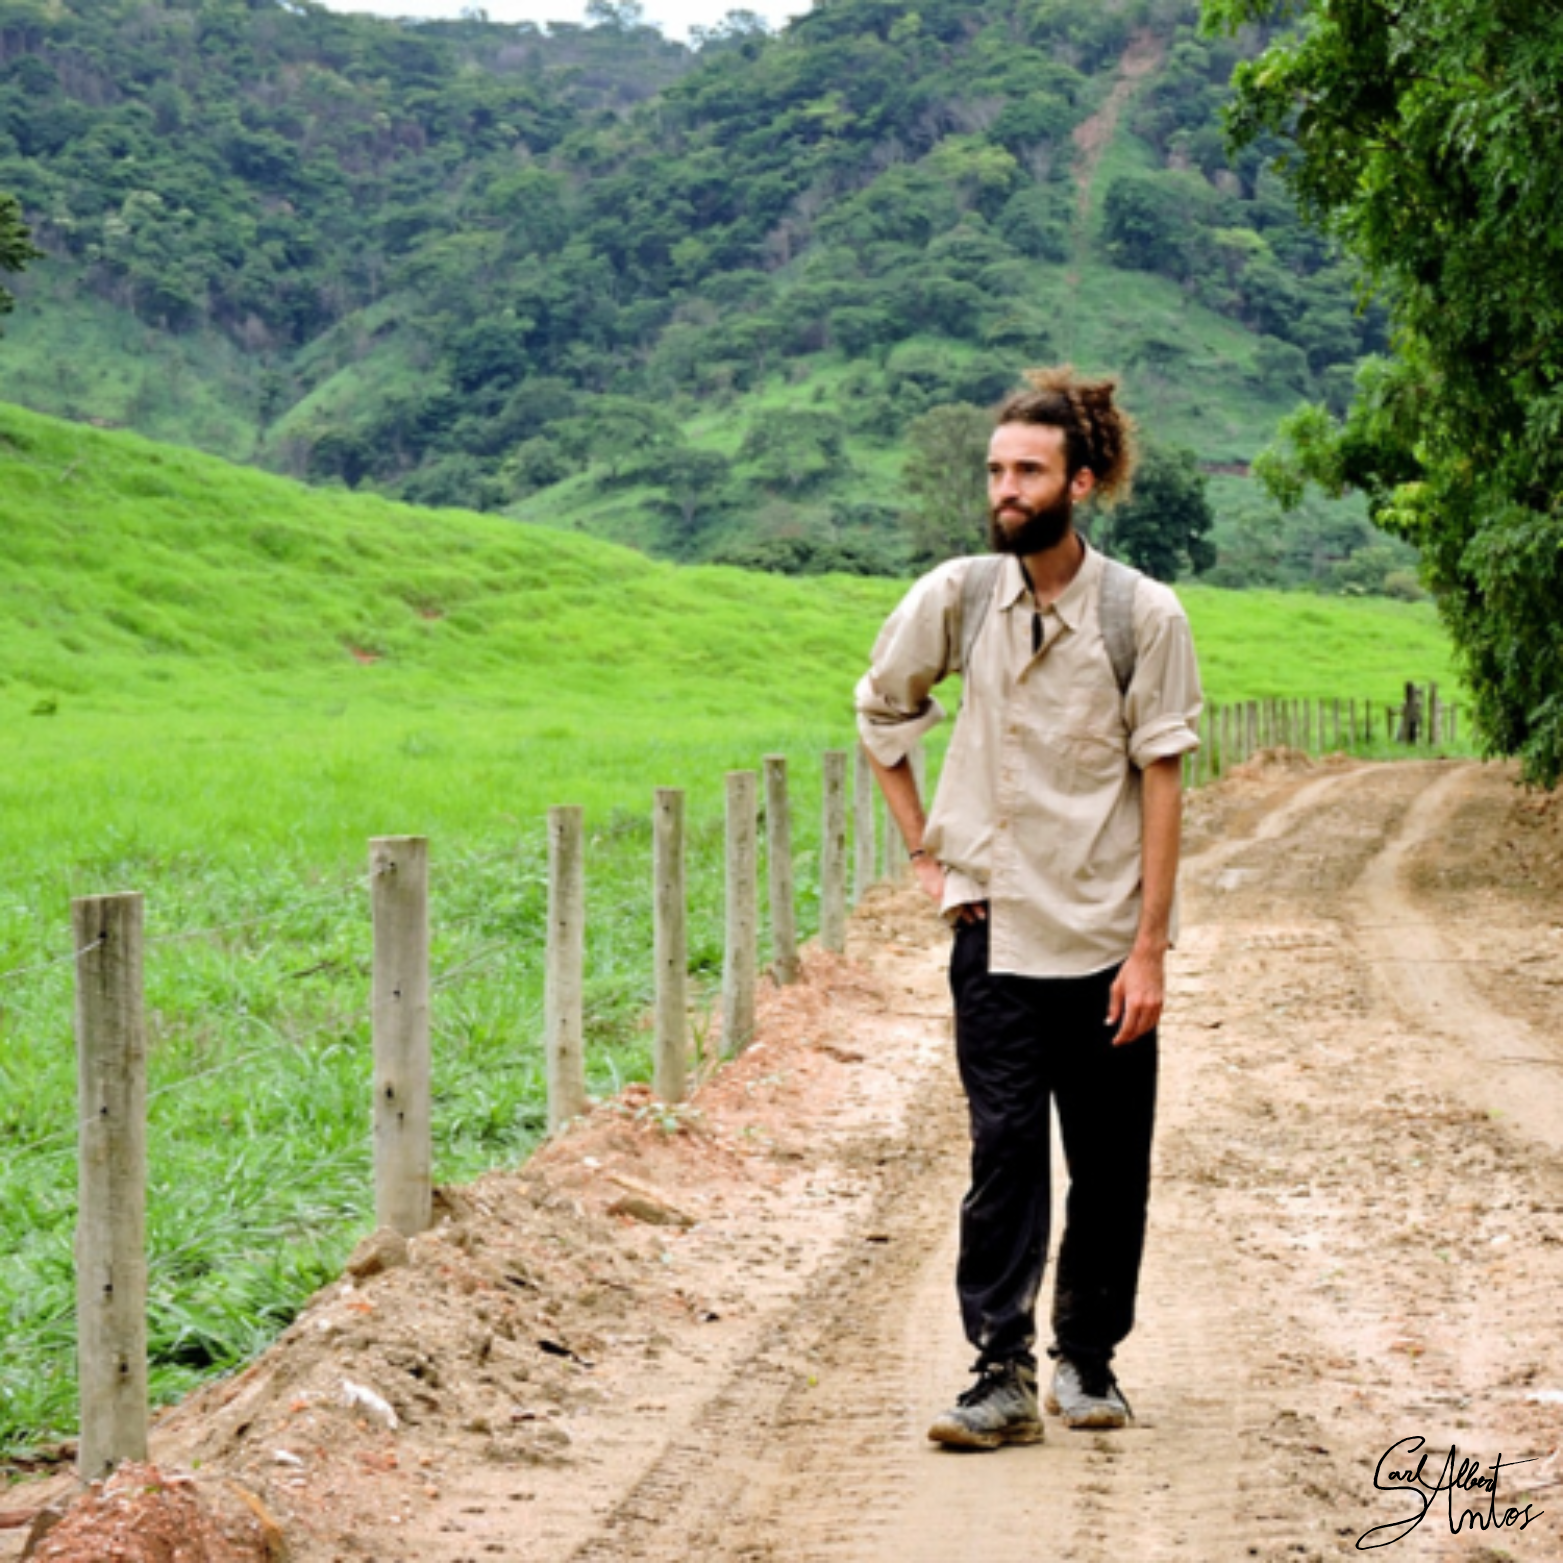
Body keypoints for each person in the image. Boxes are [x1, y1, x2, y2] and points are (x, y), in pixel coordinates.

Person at [855, 367, 1202, 1450]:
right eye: (997, 469)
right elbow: (882, 710)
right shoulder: (958, 595)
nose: (1005, 489)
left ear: (1081, 483)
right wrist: (926, 851)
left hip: (1102, 940)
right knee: (1004, 1156)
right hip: (993, 933)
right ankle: (998, 1370)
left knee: (1108, 1167)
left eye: (1028, 472)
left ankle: (1088, 1359)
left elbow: (1162, 781)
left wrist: (1149, 951)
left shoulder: (1143, 615)